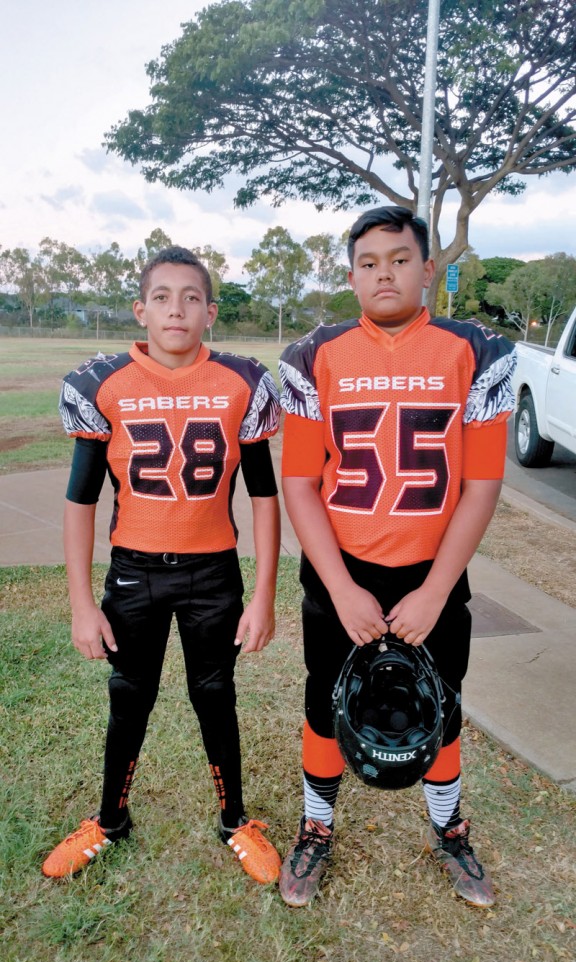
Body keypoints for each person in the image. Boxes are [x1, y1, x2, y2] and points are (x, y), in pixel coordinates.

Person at [277, 206, 517, 908]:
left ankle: (449, 829)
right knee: (325, 703)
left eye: (401, 258)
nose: (386, 272)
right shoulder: (313, 355)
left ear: (428, 269)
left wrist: (437, 589)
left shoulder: (473, 349)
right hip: (340, 569)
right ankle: (316, 828)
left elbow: (482, 483)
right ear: (351, 276)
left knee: (442, 707)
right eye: (370, 262)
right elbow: (298, 481)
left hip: (429, 569)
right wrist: (342, 587)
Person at [42, 246, 282, 885]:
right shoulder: (105, 384)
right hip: (135, 570)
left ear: (209, 311)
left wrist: (263, 596)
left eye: (192, 297)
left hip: (213, 573)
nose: (176, 309)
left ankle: (236, 819)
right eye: (162, 297)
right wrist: (80, 605)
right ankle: (109, 819)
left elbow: (264, 496)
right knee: (129, 696)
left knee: (215, 694)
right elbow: (79, 502)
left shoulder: (241, 382)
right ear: (140, 309)